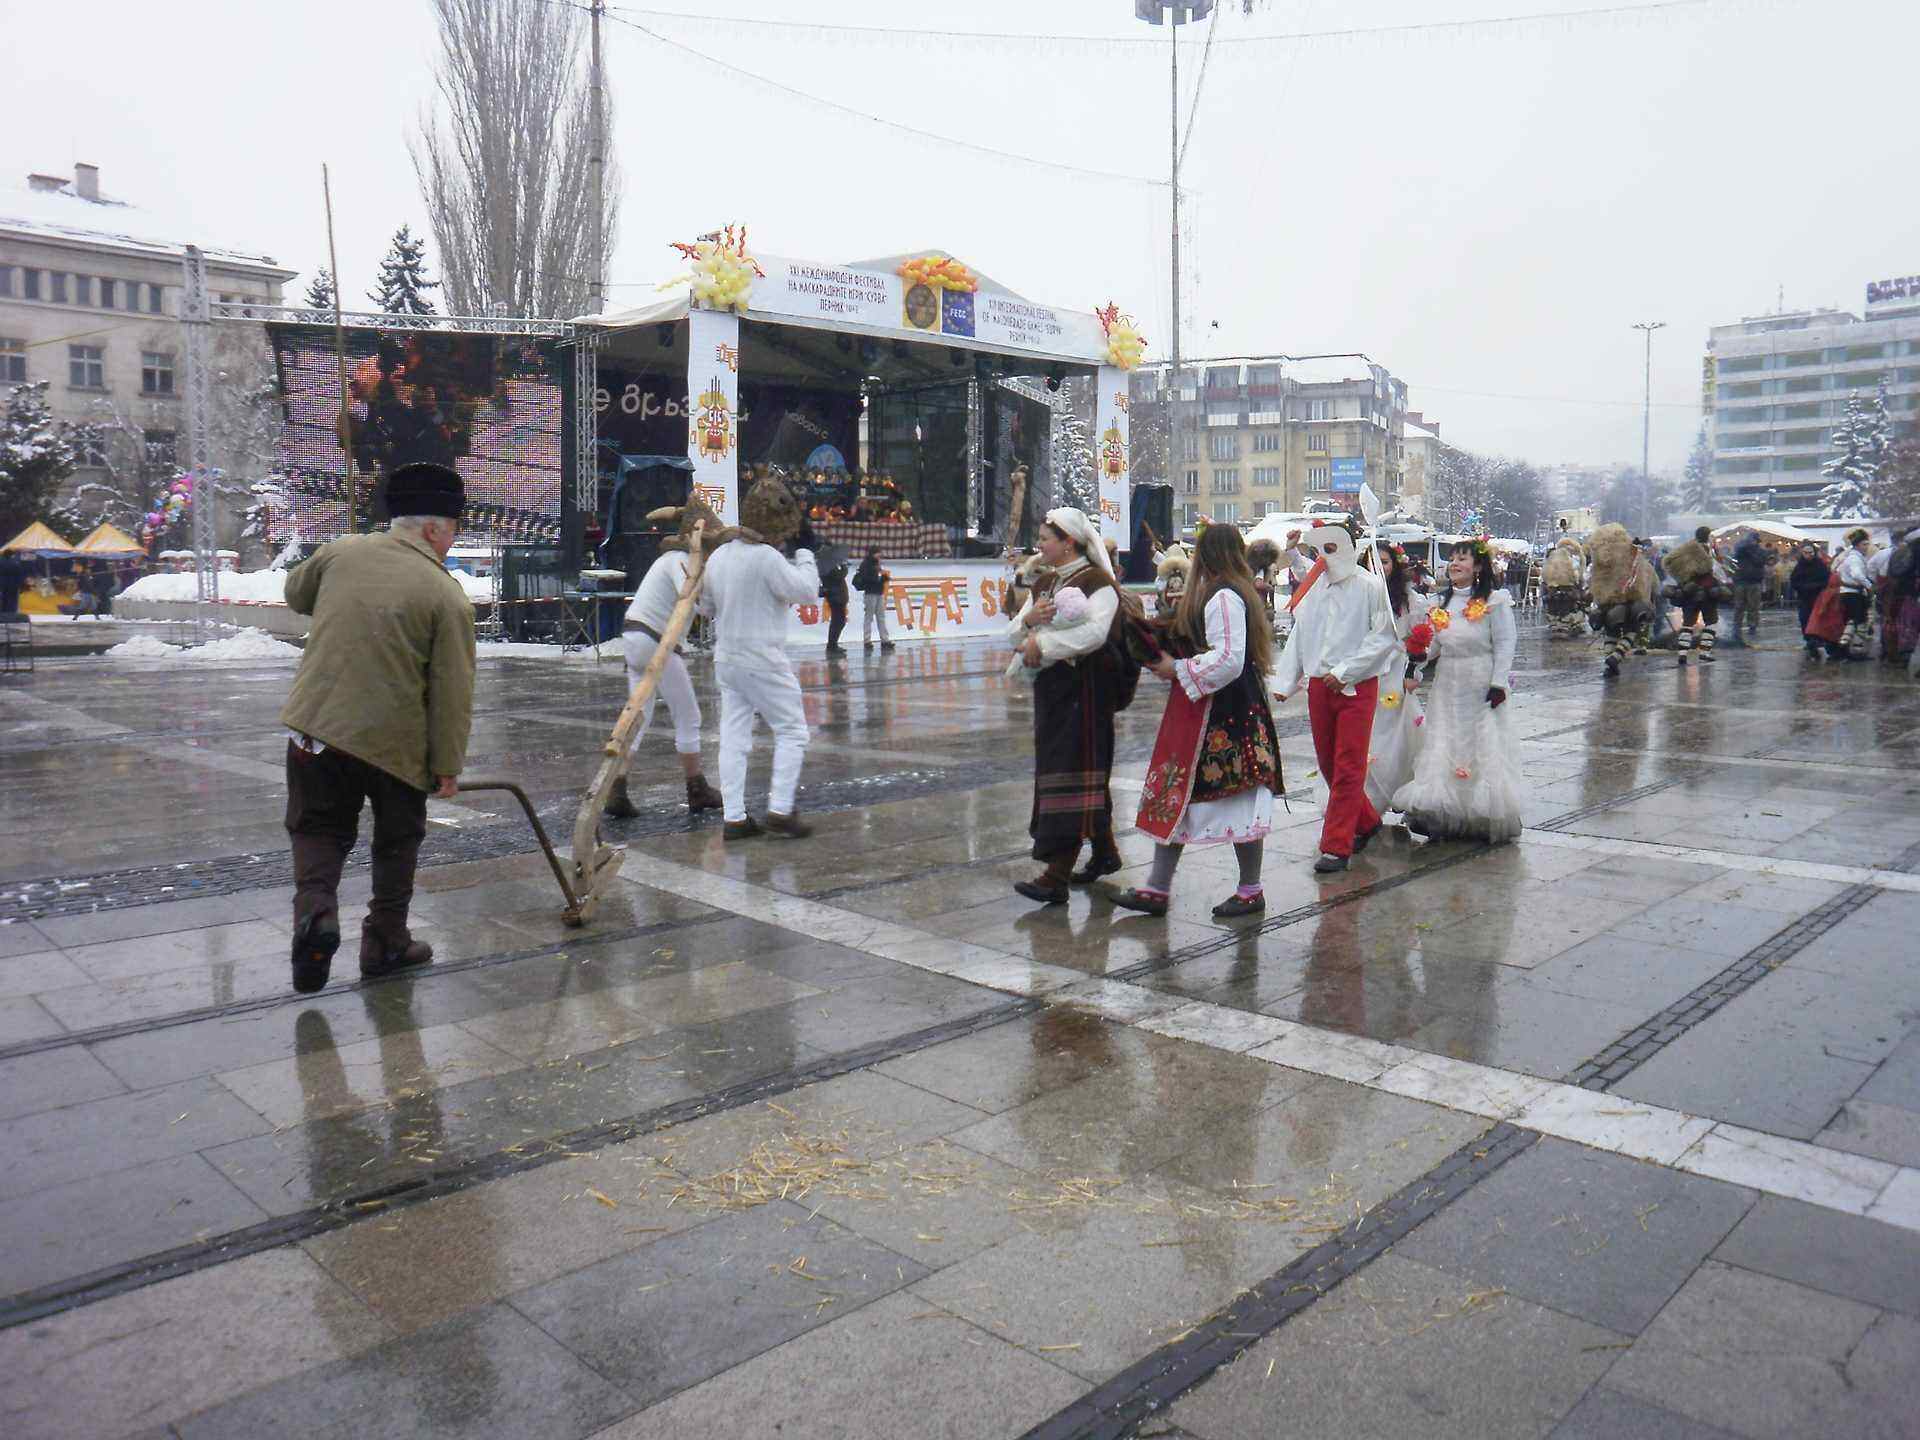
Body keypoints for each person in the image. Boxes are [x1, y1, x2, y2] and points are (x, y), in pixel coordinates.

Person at [279, 462, 477, 994]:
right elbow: (452, 692)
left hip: (317, 728)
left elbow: (296, 595)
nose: (451, 542)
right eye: (453, 531)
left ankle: (316, 911)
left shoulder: (341, 552)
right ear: (433, 529)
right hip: (395, 744)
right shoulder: (447, 596)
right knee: (397, 838)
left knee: (318, 828)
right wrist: (447, 767)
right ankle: (386, 942)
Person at [1119, 524, 1282, 918]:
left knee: (1226, 796)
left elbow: (1228, 658)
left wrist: (1177, 667)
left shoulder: (1223, 595)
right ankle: (1159, 888)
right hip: (1221, 706)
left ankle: (1246, 889)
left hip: (1221, 712)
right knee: (1181, 791)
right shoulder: (1234, 590)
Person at [1009, 507, 1131, 903]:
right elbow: (1012, 632)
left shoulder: (1098, 583)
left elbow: (1095, 634)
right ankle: (1105, 851)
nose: (1039, 545)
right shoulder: (1045, 582)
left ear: (1069, 543)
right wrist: (1030, 622)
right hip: (1052, 692)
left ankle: (1056, 876)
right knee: (1068, 769)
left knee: (1075, 768)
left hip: (1087, 691)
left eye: (1046, 538)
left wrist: (1042, 644)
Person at [1270, 519, 1399, 874]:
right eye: (1319, 550)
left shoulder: (1370, 586)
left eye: (1330, 549)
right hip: (1319, 687)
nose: (1324, 558)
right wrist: (1286, 680)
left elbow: (1383, 636)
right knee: (1329, 764)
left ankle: (1336, 845)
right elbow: (1301, 633)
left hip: (1356, 687)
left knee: (1348, 765)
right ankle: (1367, 821)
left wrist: (1346, 671)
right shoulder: (1315, 588)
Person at [701, 476, 819, 839]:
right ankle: (780, 809)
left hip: (727, 658)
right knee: (792, 730)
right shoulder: (767, 558)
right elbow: (807, 592)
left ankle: (734, 817)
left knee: (733, 737)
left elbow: (705, 608)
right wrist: (806, 553)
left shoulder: (719, 556)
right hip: (762, 659)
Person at [1392, 539, 1524, 844]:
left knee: (1481, 743)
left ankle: (1482, 814)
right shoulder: (1441, 604)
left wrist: (1498, 683)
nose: (1455, 564)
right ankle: (1441, 812)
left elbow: (1505, 643)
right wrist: (1417, 660)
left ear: (1477, 566)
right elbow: (1435, 645)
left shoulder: (1494, 602)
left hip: (1481, 681)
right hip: (1448, 683)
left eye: (1462, 559)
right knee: (1445, 741)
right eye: (1452, 559)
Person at [603, 502, 725, 821]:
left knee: (638, 716)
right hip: (654, 642)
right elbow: (697, 602)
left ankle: (617, 787)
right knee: (689, 715)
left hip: (636, 636)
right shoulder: (680, 561)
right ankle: (696, 787)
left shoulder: (671, 560)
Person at [1364, 543, 1430, 816]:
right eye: (1373, 562)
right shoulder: (1361, 594)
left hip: (1395, 674)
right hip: (1366, 671)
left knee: (1397, 734)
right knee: (1369, 734)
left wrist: (1413, 671)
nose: (1379, 568)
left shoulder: (1411, 600)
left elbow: (1420, 639)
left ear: (1395, 564)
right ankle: (1369, 796)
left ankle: (1399, 789)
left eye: (1384, 562)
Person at [1585, 524, 1655, 678]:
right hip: (1627, 598)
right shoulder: (1629, 552)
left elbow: (1593, 578)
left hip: (1607, 600)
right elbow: (1640, 573)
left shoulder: (1600, 556)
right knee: (1632, 631)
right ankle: (1616, 656)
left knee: (1611, 633)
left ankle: (1609, 665)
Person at [1663, 525, 1725, 666]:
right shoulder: (1706, 551)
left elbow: (1669, 562)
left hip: (1688, 592)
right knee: (1711, 622)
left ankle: (1682, 654)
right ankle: (1704, 653)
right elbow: (1712, 569)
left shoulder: (1685, 550)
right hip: (1706, 592)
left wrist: (1682, 578)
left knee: (1687, 624)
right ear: (1707, 536)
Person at [810, 528, 850, 656]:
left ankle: (833, 644)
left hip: (836, 594)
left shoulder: (825, 562)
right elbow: (838, 576)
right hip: (835, 595)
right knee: (838, 621)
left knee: (839, 620)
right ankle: (832, 645)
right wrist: (844, 567)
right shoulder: (826, 564)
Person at [1788, 542, 1832, 660]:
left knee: (1818, 619)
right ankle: (1809, 640)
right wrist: (1803, 588)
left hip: (1818, 597)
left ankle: (1817, 639)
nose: (1808, 555)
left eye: (1810, 553)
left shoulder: (1820, 565)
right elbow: (1794, 581)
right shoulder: (1799, 566)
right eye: (1806, 553)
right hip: (1804, 597)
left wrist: (1816, 586)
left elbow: (1826, 579)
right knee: (1804, 619)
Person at [1836, 527, 1875, 660]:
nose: (1867, 547)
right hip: (1852, 594)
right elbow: (1857, 574)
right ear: (1857, 545)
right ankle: (1856, 651)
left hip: (1850, 593)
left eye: (1867, 544)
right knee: (1859, 622)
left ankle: (1844, 648)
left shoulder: (1852, 556)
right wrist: (1869, 586)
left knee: (1852, 621)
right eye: (1864, 544)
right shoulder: (1854, 558)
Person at [1728, 530, 1770, 646]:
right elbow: (1734, 558)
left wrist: (1750, 552)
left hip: (1754, 582)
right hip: (1741, 581)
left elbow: (1760, 561)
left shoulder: (1761, 552)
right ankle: (1737, 627)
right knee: (1739, 606)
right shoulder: (1741, 550)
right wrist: (1743, 549)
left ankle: (1752, 626)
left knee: (1753, 606)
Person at [1541, 535, 1586, 640]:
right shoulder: (1572, 560)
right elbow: (1578, 576)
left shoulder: (1552, 559)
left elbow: (1545, 575)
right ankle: (1567, 625)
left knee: (1554, 608)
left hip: (1553, 590)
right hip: (1568, 589)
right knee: (1570, 607)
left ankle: (1557, 625)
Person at [852, 549, 895, 651]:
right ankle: (867, 640)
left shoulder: (876, 564)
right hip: (870, 593)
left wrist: (882, 578)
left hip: (878, 592)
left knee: (880, 617)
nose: (880, 556)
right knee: (869, 617)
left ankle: (885, 639)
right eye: (878, 553)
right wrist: (880, 579)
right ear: (873, 554)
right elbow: (869, 578)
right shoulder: (866, 564)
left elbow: (877, 577)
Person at [0, 547, 24, 615]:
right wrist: (20, 586)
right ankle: (11, 614)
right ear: (11, 555)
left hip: (1, 584)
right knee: (12, 601)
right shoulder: (15, 563)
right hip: (13, 586)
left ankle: (2, 614)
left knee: (2, 600)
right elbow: (19, 576)